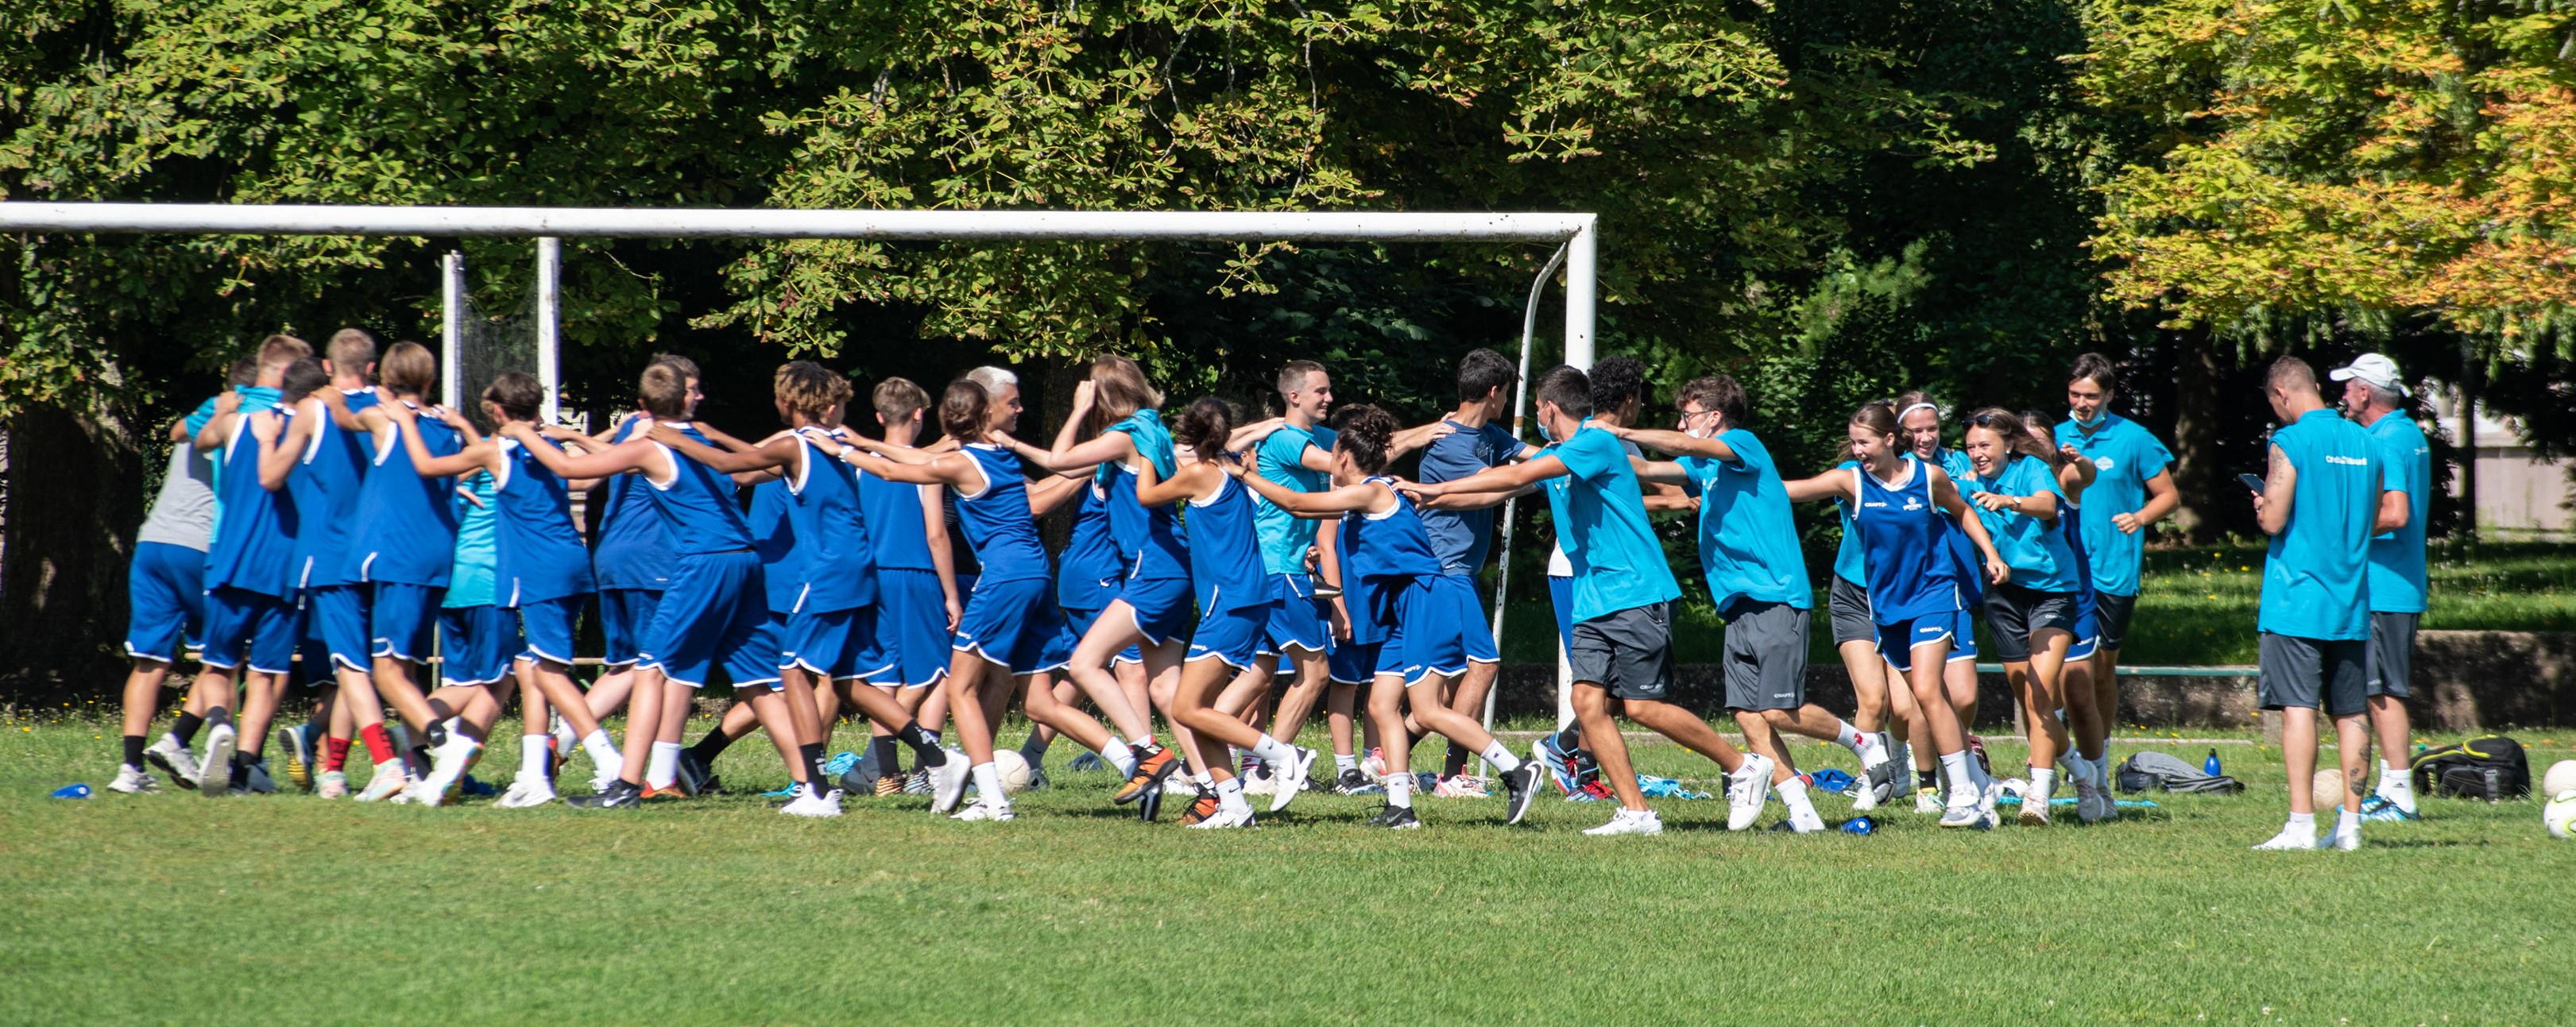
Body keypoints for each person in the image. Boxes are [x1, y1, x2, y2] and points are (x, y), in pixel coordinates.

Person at [1406, 365, 1772, 836]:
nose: (1536, 415)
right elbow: (1501, 487)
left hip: (1635, 590)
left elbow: (1525, 471)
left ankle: (1743, 766)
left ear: (1550, 408)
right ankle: (1637, 812)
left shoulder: (1596, 445)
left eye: (1537, 407)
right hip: (1595, 596)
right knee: (1587, 701)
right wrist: (1430, 499)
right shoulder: (1563, 454)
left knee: (1641, 706)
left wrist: (1436, 487)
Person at [510, 361, 834, 814]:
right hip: (745, 561)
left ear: (642, 406)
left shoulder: (650, 446)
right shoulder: (700, 439)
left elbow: (568, 471)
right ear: (689, 397)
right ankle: (812, 788)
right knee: (760, 681)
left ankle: (625, 785)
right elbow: (743, 473)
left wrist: (522, 432)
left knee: (650, 670)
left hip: (706, 563)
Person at [650, 363, 963, 812]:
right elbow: (751, 466)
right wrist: (711, 435)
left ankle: (816, 789)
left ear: (787, 403)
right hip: (859, 567)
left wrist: (679, 438)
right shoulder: (830, 442)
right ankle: (940, 759)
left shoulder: (793, 445)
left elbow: (729, 467)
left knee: (792, 669)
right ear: (830, 407)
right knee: (847, 681)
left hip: (829, 571)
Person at [1245, 403, 1541, 828]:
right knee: (1384, 706)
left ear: (1344, 459)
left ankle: (1516, 770)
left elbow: (1296, 502)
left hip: (1424, 601)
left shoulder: (1370, 490)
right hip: (1401, 610)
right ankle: (1400, 807)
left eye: (1333, 457)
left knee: (1427, 710)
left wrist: (1246, 475)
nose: (1330, 462)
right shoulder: (1373, 494)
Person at [1617, 375, 1892, 832]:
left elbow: (1686, 450)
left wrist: (1623, 432)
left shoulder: (1742, 444)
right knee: (1747, 714)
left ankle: (1863, 742)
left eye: (1688, 416)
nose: (1682, 425)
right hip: (1738, 604)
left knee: (1778, 710)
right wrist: (1587, 443)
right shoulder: (1705, 467)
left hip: (1775, 596)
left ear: (1714, 417)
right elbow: (1645, 471)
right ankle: (1802, 813)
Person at [374, 373, 619, 807]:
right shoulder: (548, 448)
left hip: (537, 571)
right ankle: (534, 775)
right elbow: (582, 479)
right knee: (527, 669)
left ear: (501, 412)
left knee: (544, 672)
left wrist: (405, 422)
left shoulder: (495, 451)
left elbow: (428, 468)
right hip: (573, 562)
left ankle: (608, 761)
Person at [1785, 402, 2011, 829]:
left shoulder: (1928, 477)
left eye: (1864, 442)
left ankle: (1960, 795)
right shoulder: (1850, 481)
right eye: (1853, 443)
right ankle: (1979, 783)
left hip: (1933, 593)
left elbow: (1962, 511)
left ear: (1890, 440)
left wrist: (1991, 554)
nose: (1858, 451)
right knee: (1926, 701)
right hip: (1887, 608)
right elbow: (1789, 490)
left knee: (1928, 691)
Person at [1003, 357, 1185, 801]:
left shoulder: (1118, 443)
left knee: (1107, 670)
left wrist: (1071, 415)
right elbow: (1042, 490)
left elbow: (1055, 471)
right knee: (1107, 670)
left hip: (1117, 571)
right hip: (1100, 572)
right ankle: (1157, 763)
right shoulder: (1145, 433)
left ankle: (1154, 762)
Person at [1135, 396, 1321, 828]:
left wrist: (1145, 449)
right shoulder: (1227, 468)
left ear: (1191, 438)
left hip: (1232, 601)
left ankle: (1284, 755)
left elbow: (1146, 495)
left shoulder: (1201, 473)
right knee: (1200, 711)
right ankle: (1233, 805)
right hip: (1244, 598)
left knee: (1186, 708)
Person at [2248, 357, 2404, 851]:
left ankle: (2300, 825)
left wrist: (2261, 505)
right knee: (2352, 712)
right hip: (2352, 598)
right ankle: (2351, 827)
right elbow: (2378, 514)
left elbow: (2273, 520)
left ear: (2281, 395)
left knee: (2298, 709)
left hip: (2297, 598)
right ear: (2315, 386)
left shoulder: (2288, 442)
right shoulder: (2366, 441)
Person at [1407, 349, 1538, 797]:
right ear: (1495, 391)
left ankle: (1389, 759)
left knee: (1436, 694)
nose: (1508, 404)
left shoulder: (1491, 435)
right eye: (1508, 395)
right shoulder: (1449, 444)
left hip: (1458, 570)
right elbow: (1493, 489)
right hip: (1443, 570)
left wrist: (1575, 453)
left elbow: (1531, 454)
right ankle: (1453, 776)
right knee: (1483, 666)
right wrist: (1550, 475)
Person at [191, 349, 322, 793]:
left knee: (217, 666)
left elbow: (200, 440)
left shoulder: (240, 424)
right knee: (266, 674)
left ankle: (218, 728)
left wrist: (226, 406)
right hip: (285, 570)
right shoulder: (313, 432)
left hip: (234, 560)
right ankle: (245, 766)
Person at [338, 341, 465, 801]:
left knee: (385, 671)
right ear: (430, 382)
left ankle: (440, 741)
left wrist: (349, 387)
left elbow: (341, 413)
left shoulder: (384, 418)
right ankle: (418, 765)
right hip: (437, 557)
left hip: (397, 556)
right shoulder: (447, 428)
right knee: (407, 667)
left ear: (385, 379)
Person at [2056, 353, 2179, 803]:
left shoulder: (2134, 439)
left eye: (2091, 395)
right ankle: (2060, 762)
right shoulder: (2054, 437)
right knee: (2063, 671)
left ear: (2109, 395)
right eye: (2075, 395)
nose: (2083, 403)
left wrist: (2140, 516)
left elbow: (2168, 495)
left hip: (2112, 570)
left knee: (2100, 670)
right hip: (2063, 571)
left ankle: (2098, 760)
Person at [279, 330, 390, 799]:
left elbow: (270, 475)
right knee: (365, 665)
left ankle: (387, 763)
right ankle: (332, 769)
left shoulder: (313, 409)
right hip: (380, 552)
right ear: (370, 368)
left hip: (329, 555)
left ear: (326, 366)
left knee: (349, 667)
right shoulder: (386, 406)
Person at [1959, 407, 2082, 825]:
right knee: (2029, 700)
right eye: (1971, 446)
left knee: (2039, 694)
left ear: (2008, 444)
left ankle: (2039, 796)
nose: (1977, 453)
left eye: (1985, 445)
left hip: (2052, 592)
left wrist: (2008, 500)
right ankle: (2084, 776)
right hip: (2003, 595)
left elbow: (2048, 506)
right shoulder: (1967, 479)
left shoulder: (2031, 469)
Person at [855, 377, 967, 796]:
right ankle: (927, 768)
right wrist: (952, 594)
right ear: (920, 414)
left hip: (870, 576)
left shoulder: (859, 463)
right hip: (914, 573)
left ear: (880, 416)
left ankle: (886, 773)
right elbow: (937, 534)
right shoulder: (926, 468)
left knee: (882, 676)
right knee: (937, 672)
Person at [111, 384, 225, 793]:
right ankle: (179, 739)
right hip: (196, 548)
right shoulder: (243, 417)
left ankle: (130, 769)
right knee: (226, 656)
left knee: (148, 661)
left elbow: (178, 430)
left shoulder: (204, 412)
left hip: (152, 542)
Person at [2332, 353, 2428, 820]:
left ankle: (2399, 795)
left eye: (2348, 387)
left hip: (2385, 586)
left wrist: (2338, 529)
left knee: (2383, 690)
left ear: (2365, 392)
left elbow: (2396, 514)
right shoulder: (2408, 433)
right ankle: (2392, 790)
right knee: (2381, 687)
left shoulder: (2384, 441)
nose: (2344, 396)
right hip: (2397, 584)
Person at [2020, 410, 2116, 824]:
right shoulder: (2010, 479)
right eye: (2025, 442)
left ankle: (2099, 785)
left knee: (2077, 691)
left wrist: (2079, 460)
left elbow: (2086, 476)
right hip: (2025, 596)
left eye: (2040, 441)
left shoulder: (2062, 479)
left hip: (2071, 596)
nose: (2033, 448)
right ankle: (2055, 774)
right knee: (2038, 694)